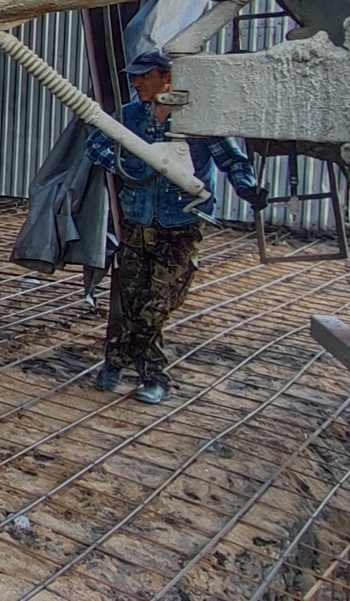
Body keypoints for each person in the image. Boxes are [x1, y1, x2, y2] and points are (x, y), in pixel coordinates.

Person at [87, 46, 263, 404]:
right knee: (135, 300)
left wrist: (247, 188)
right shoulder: (129, 116)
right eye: (134, 77)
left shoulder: (197, 118)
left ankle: (118, 359)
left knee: (160, 301)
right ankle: (153, 378)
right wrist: (132, 169)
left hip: (181, 222)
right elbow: (96, 147)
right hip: (138, 221)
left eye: (144, 76)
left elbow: (231, 159)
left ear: (168, 78)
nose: (136, 83)